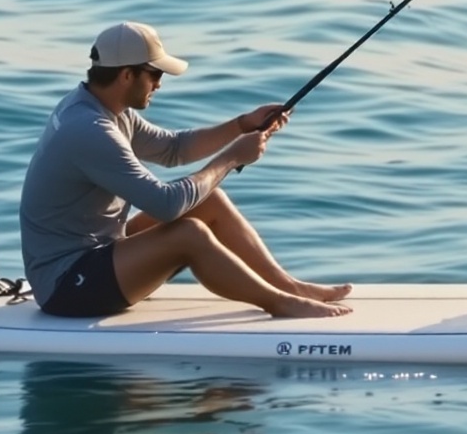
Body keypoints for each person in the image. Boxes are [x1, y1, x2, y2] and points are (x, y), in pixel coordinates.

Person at [19, 21, 351, 321]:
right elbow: (166, 205)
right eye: (155, 75)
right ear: (127, 75)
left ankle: (288, 286)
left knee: (210, 201)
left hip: (99, 252)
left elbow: (174, 148)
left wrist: (242, 124)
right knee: (188, 232)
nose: (159, 84)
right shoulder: (89, 129)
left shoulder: (105, 108)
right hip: (66, 286)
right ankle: (278, 303)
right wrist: (231, 159)